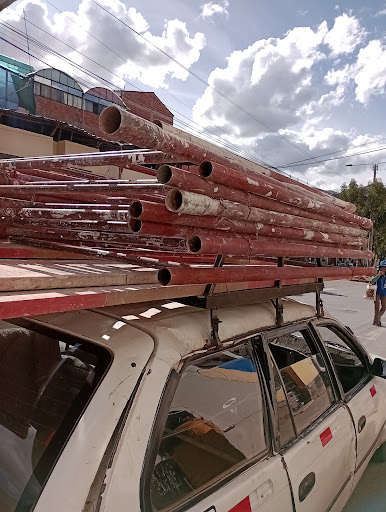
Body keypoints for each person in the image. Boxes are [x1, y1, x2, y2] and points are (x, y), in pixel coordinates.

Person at [372, 260, 386, 326]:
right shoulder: (377, 273)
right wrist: (378, 275)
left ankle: (378, 318)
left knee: (384, 306)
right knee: (377, 307)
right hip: (377, 292)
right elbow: (372, 281)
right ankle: (376, 322)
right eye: (383, 267)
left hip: (384, 293)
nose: (384, 269)